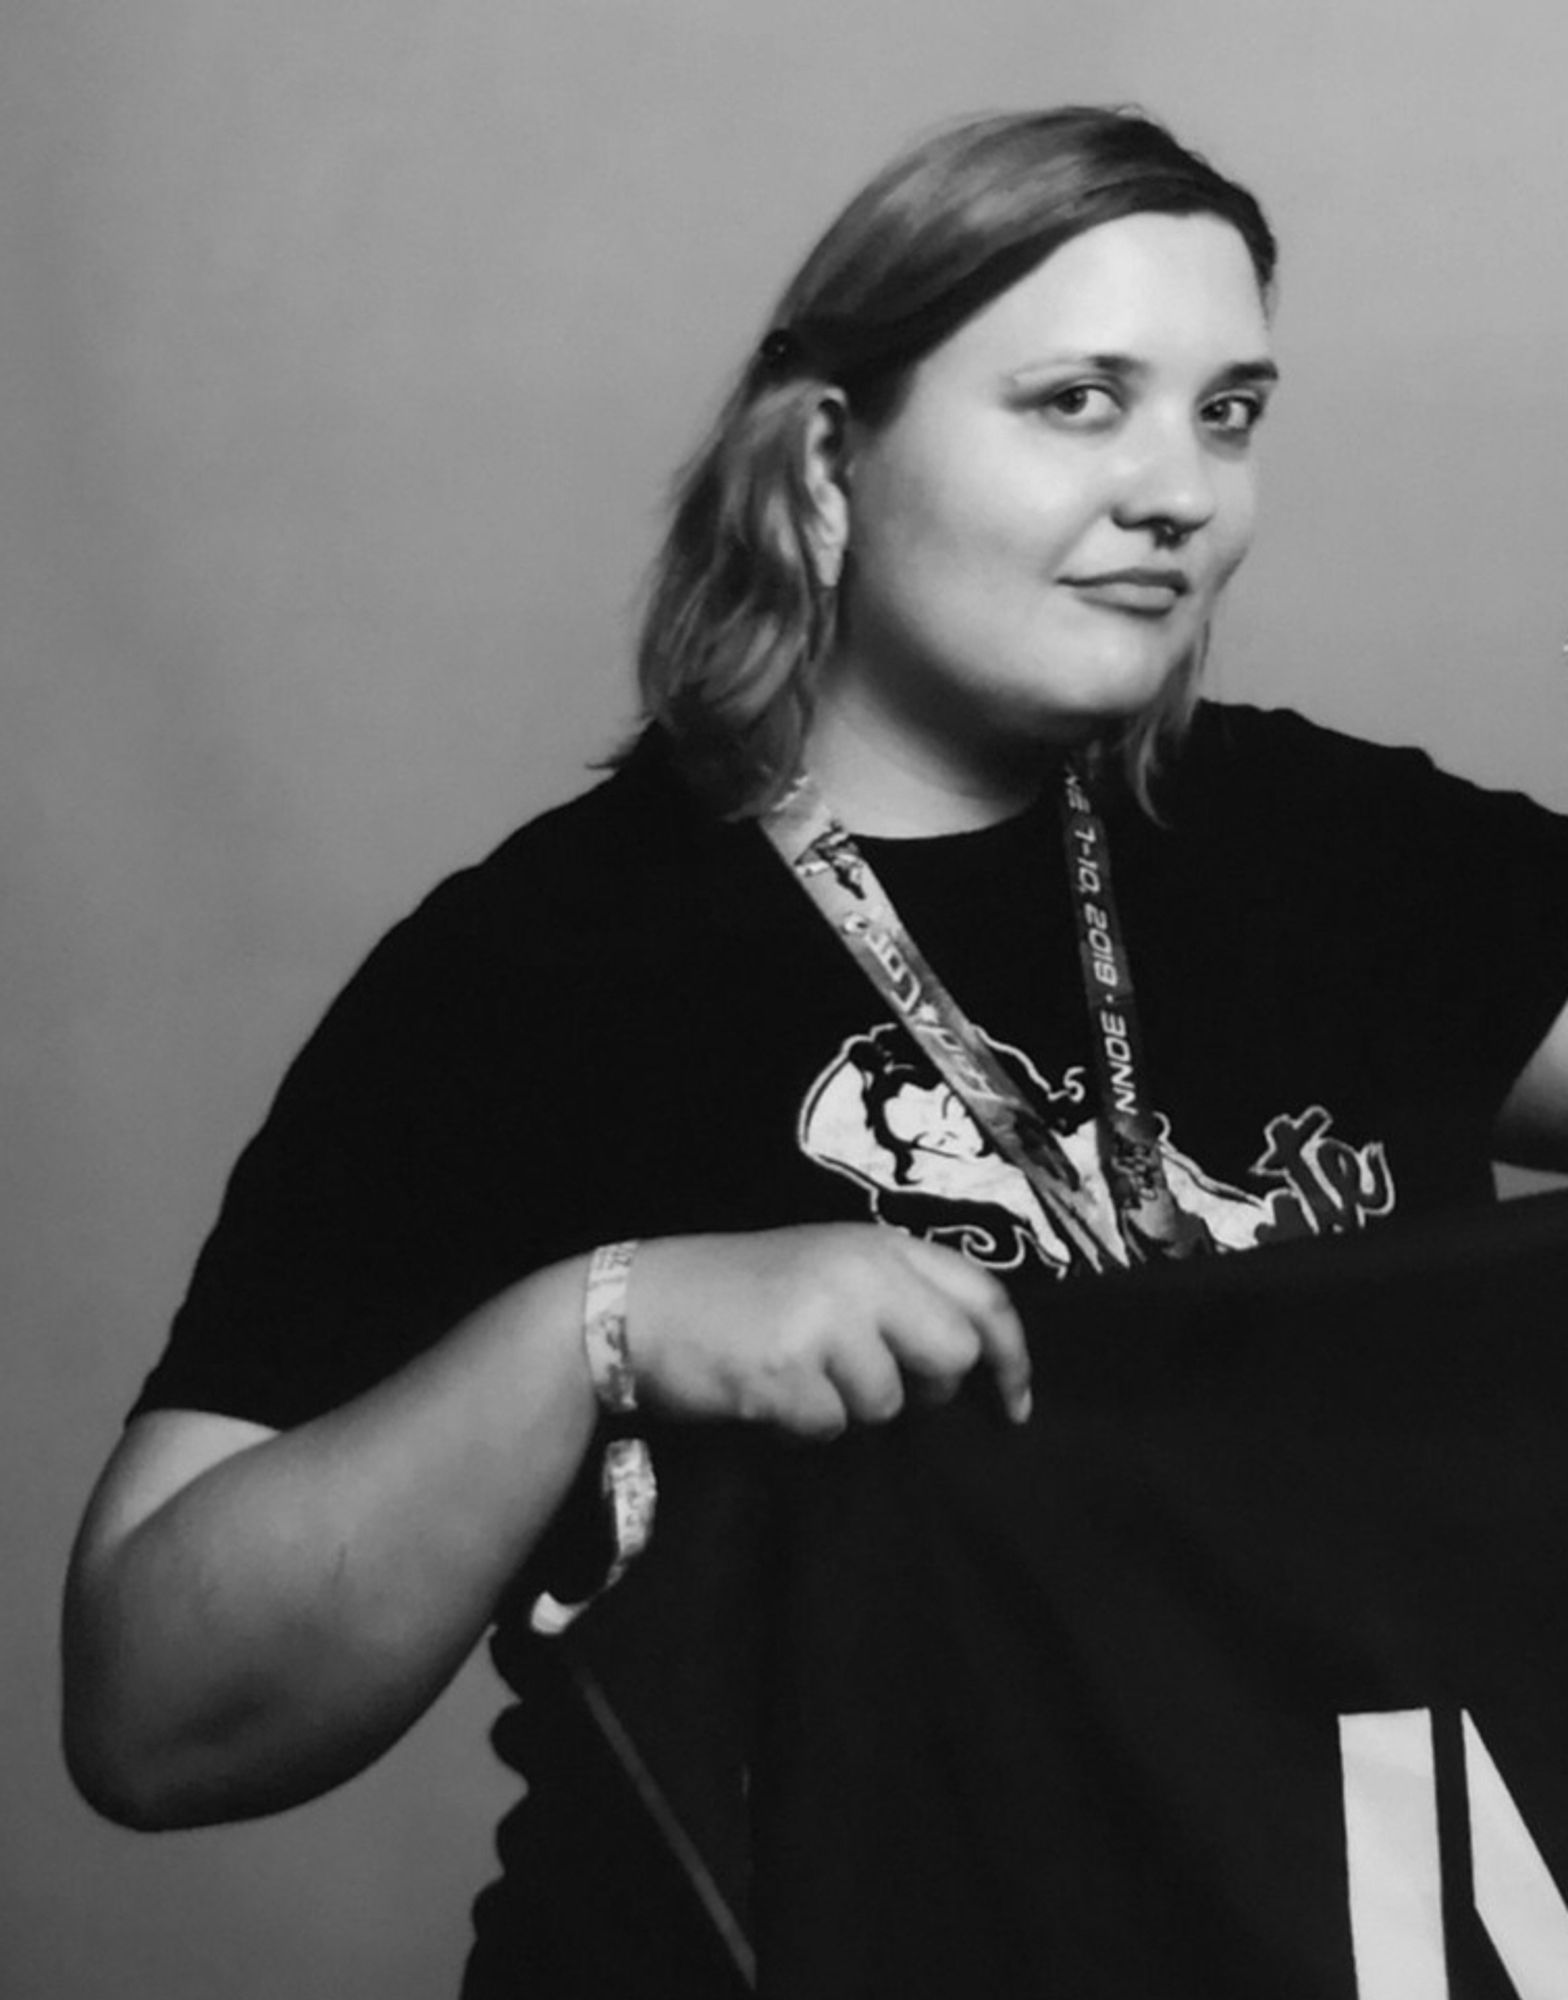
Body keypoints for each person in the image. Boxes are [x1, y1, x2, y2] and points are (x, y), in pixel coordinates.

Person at [60, 105, 1568, 1994]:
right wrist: (598, 1325)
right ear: (833, 461)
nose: (1181, 489)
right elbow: (151, 1708)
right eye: (1081, 401)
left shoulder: (1352, 855)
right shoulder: (538, 972)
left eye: (1230, 411)